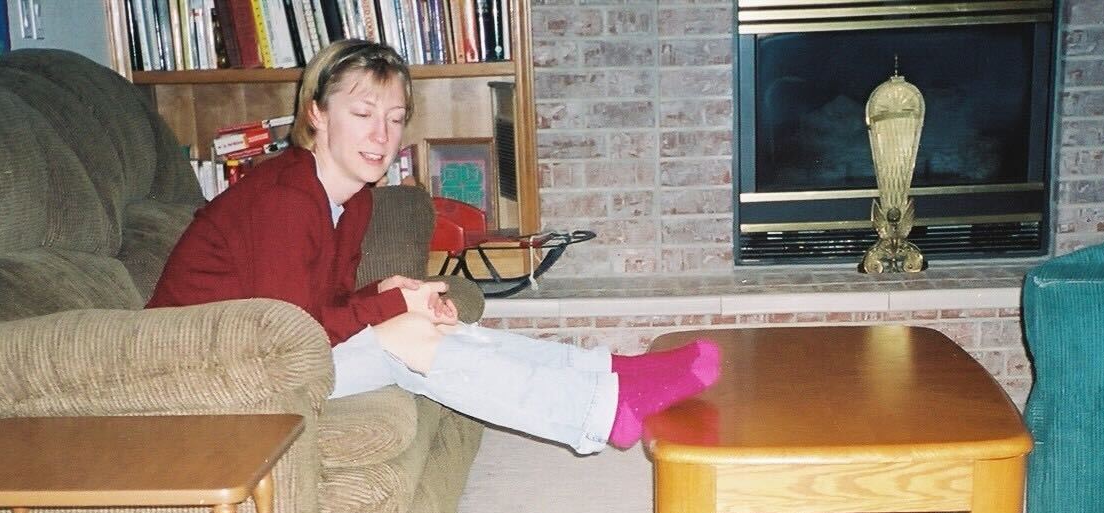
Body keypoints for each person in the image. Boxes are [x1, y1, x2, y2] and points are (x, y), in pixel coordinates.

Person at [149, 38, 720, 453]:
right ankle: (605, 408)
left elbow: (317, 299)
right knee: (406, 335)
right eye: (363, 114)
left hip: (269, 350)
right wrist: (395, 308)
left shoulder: (350, 197)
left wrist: (393, 290)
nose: (382, 135)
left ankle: (611, 372)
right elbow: (292, 334)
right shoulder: (282, 199)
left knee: (427, 322)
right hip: (215, 377)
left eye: (395, 119)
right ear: (317, 114)